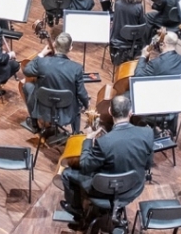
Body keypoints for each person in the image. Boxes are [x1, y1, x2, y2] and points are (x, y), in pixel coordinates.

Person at [60, 93, 152, 226]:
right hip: (133, 188)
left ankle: (77, 210)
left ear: (110, 111)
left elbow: (85, 165)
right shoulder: (147, 133)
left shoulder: (104, 143)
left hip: (104, 190)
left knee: (67, 173)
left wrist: (88, 140)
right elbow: (148, 164)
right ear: (131, 112)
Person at [20, 32, 90, 135]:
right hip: (67, 113)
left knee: (27, 86)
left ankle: (34, 124)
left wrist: (41, 54)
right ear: (70, 48)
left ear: (54, 45)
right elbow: (81, 93)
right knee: (78, 99)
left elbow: (27, 70)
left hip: (43, 109)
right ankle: (75, 133)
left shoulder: (42, 63)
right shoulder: (76, 68)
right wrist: (86, 104)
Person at [109, 0, 148, 65]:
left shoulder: (118, 4)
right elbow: (142, 23)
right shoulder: (138, 7)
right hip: (132, 38)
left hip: (117, 38)